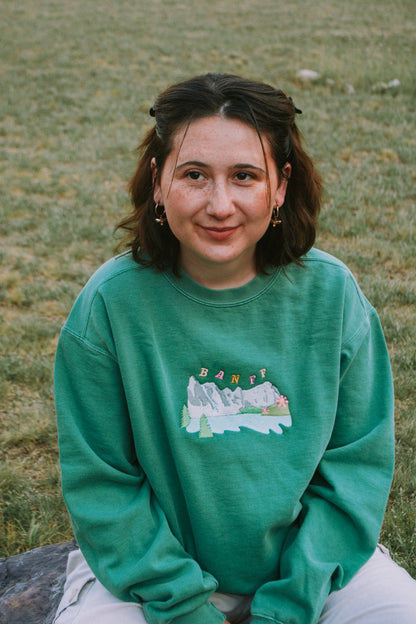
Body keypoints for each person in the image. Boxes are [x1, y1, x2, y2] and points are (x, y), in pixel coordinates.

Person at [53, 74, 416, 624]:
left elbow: (355, 469)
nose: (219, 205)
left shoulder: (333, 296)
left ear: (280, 186)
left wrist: (291, 603)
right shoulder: (109, 306)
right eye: (194, 175)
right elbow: (103, 484)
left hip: (312, 573)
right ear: (158, 181)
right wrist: (183, 608)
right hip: (149, 579)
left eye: (244, 176)